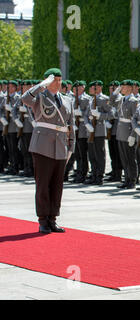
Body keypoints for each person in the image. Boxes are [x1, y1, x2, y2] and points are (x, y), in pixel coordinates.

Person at [21, 68, 75, 234]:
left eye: (59, 80)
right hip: (42, 145)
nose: (58, 83)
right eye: (54, 80)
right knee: (43, 185)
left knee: (57, 185)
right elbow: (25, 99)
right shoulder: (39, 98)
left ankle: (53, 219)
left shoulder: (67, 100)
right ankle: (43, 220)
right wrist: (41, 86)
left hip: (60, 145)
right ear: (46, 81)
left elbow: (70, 125)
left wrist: (71, 146)